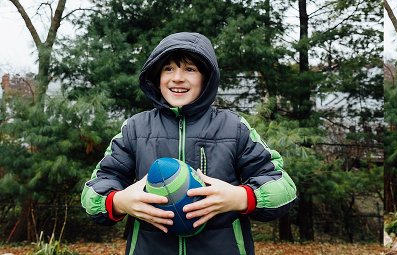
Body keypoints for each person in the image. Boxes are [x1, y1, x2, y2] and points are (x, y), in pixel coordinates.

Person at [80, 32, 297, 255]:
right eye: (169, 69)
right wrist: (119, 202)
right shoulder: (135, 128)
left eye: (190, 69)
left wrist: (242, 197)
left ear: (206, 78)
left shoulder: (234, 127)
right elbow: (92, 194)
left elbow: (284, 188)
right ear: (157, 76)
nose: (177, 78)